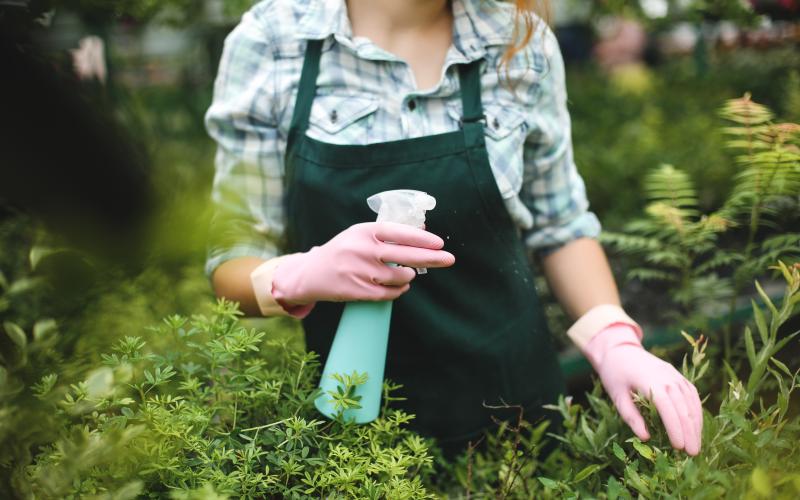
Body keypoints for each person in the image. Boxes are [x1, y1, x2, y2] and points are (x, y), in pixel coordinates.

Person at [205, 0, 703, 457]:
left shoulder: (519, 43)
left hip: (516, 425)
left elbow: (560, 223)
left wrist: (614, 341)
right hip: (355, 445)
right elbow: (230, 262)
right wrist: (298, 274)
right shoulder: (272, 41)